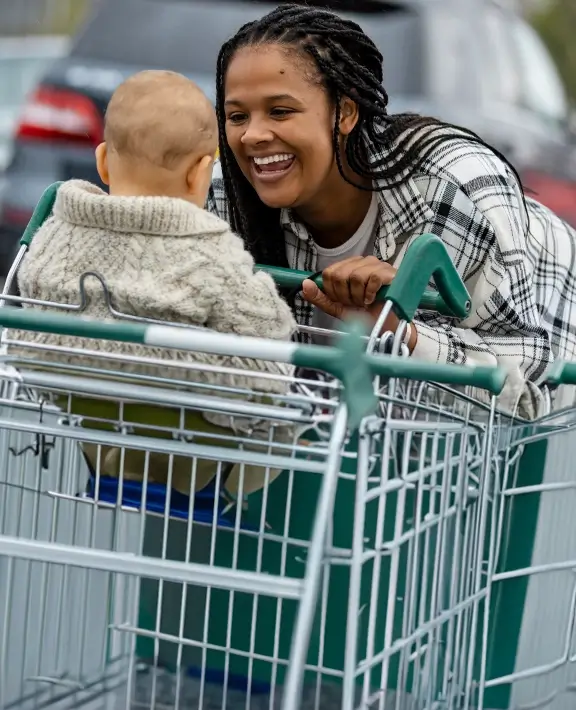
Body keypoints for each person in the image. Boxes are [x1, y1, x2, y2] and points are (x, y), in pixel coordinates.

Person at [207, 3, 576, 420]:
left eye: (280, 111)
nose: (253, 135)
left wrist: (400, 333)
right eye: (237, 116)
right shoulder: (227, 196)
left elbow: (526, 393)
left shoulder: (451, 191)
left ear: (344, 112)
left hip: (546, 418)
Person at [7, 69, 297, 497]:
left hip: (76, 400)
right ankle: (221, 494)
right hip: (191, 428)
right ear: (202, 173)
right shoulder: (209, 251)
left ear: (103, 161)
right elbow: (266, 338)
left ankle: (115, 469)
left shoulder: (56, 227)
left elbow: (30, 295)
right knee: (284, 417)